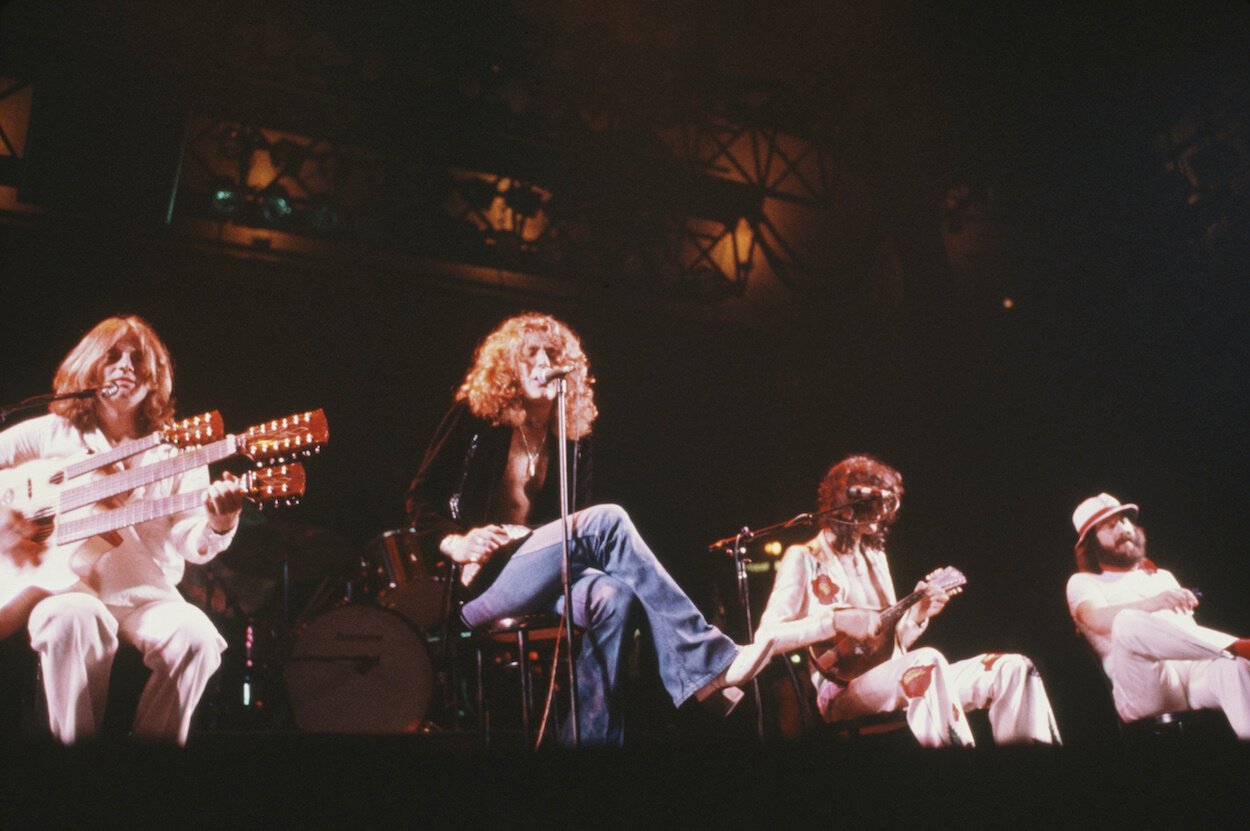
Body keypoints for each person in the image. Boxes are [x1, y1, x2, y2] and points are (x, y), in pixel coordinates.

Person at [405, 312, 771, 746]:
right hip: (480, 578)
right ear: (509, 366)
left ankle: (587, 741)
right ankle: (706, 661)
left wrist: (528, 535)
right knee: (608, 518)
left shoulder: (571, 439)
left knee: (613, 598)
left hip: (537, 571)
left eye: (552, 354)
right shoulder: (475, 418)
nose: (543, 363)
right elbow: (420, 497)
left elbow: (568, 525)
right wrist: (456, 542)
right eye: (530, 355)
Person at [0, 315, 245, 744]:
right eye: (112, 356)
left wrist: (218, 523)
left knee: (197, 638)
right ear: (90, 368)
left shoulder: (178, 451)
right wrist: (11, 522)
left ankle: (149, 764)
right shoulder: (48, 435)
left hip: (144, 597)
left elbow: (192, 541)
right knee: (71, 618)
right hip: (63, 590)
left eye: (138, 360)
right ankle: (73, 763)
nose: (126, 367)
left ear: (155, 380)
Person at [754, 454, 1060, 746]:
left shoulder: (875, 558)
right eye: (875, 504)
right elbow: (766, 636)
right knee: (926, 664)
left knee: (1013, 668)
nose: (883, 515)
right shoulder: (805, 557)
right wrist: (833, 621)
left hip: (894, 679)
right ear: (847, 504)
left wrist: (918, 614)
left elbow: (884, 643)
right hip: (841, 696)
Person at [1066, 492, 1250, 737]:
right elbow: (1096, 620)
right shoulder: (1083, 581)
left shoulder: (1162, 575)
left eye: (1125, 520)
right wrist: (1154, 602)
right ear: (1092, 544)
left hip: (1191, 675)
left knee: (1233, 667)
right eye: (1110, 526)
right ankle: (1235, 645)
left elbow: (1188, 635)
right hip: (1145, 686)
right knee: (1125, 622)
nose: (1123, 528)